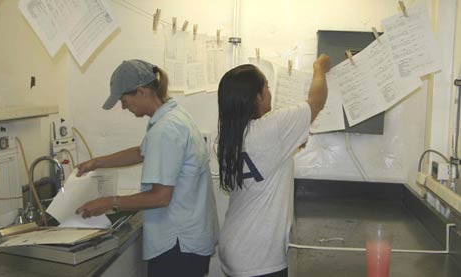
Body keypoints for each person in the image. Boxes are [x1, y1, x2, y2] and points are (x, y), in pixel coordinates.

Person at [75, 59, 219, 277]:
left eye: (124, 100)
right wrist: (96, 162)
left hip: (177, 245)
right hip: (189, 238)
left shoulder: (165, 130)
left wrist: (111, 202)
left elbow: (160, 197)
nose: (123, 107)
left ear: (142, 92)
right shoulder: (174, 116)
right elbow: (142, 151)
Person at [216, 54, 331, 277]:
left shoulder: (227, 136)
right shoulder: (270, 130)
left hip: (235, 246)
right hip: (258, 257)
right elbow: (316, 102)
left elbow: (266, 162)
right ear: (257, 97)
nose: (270, 92)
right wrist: (319, 69)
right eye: (266, 87)